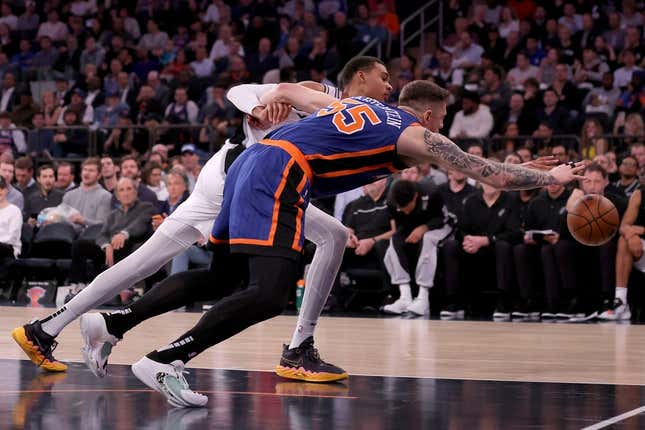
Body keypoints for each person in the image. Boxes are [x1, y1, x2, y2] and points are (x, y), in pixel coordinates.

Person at [90, 80, 581, 407]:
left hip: (252, 163)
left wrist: (268, 105)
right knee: (267, 294)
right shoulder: (412, 133)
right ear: (430, 113)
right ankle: (164, 359)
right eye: (443, 118)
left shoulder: (357, 106)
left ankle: (113, 321)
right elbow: (483, 171)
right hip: (282, 174)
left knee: (226, 276)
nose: (442, 127)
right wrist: (553, 174)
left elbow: (286, 90)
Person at [10, 56, 392, 381]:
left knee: (147, 266)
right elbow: (240, 91)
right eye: (384, 77)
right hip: (243, 180)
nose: (389, 86)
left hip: (227, 174)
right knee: (327, 240)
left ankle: (43, 329)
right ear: (360, 77)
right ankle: (298, 348)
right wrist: (258, 107)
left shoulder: (371, 121)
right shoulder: (322, 94)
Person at [382, 179, 451, 316]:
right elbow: (401, 224)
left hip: (440, 225)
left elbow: (443, 218)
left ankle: (423, 298)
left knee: (428, 239)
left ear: (415, 197)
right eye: (401, 208)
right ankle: (405, 296)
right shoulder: (391, 201)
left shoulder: (431, 191)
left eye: (407, 206)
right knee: (394, 241)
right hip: (412, 226)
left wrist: (425, 228)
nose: (405, 211)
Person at [601, 188, 645, 320]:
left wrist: (640, 230)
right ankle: (621, 302)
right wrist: (630, 235)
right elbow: (624, 226)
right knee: (624, 240)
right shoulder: (639, 194)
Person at [0, 175, 21, 268]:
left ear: (6, 190)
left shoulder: (14, 211)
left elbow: (12, 238)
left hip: (8, 250)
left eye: (1, 188)